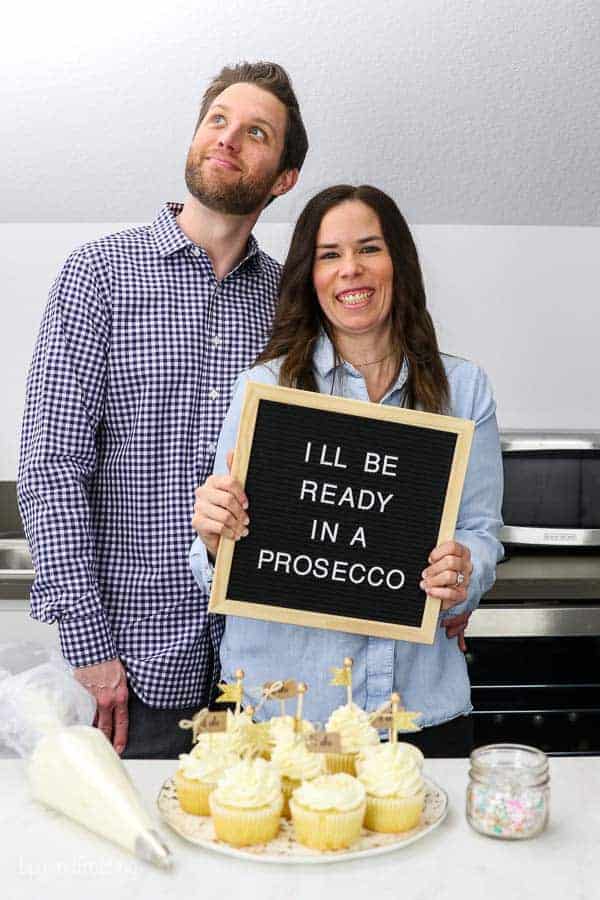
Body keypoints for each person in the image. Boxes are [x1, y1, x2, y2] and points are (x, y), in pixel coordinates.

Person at [17, 61, 308, 758]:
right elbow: (51, 466)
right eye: (218, 121)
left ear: (283, 177)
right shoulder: (99, 274)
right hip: (134, 669)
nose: (229, 139)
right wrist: (88, 644)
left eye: (256, 132)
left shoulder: (290, 304)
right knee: (143, 856)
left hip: (264, 666)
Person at [190, 184, 504, 757]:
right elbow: (216, 563)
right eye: (329, 255)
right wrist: (214, 536)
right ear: (310, 276)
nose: (350, 270)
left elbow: (482, 534)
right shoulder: (265, 388)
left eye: (369, 249)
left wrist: (464, 571)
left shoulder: (465, 390)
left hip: (417, 709)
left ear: (398, 264)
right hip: (283, 713)